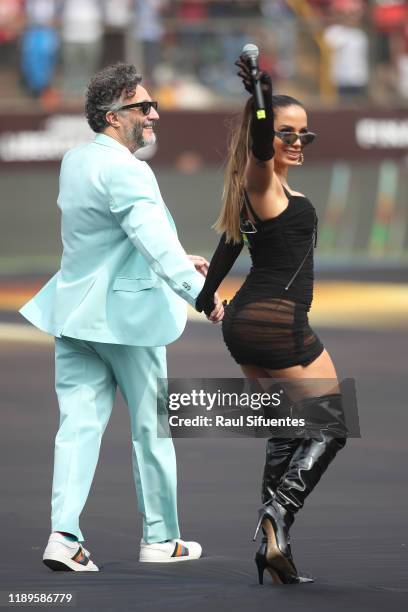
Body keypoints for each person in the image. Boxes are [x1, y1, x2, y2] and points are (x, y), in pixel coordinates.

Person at [19, 62, 223, 571]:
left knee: (77, 428)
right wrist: (201, 292)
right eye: (143, 107)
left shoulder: (75, 161)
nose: (154, 114)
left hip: (74, 315)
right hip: (126, 321)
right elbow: (150, 240)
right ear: (113, 117)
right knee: (152, 430)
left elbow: (115, 239)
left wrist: (179, 257)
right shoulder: (129, 170)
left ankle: (63, 537)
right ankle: (161, 538)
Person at [196, 54, 347, 584]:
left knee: (287, 429)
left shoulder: (260, 190)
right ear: (267, 136)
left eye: (306, 133)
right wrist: (260, 101)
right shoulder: (263, 180)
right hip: (274, 321)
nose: (298, 141)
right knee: (331, 424)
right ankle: (276, 515)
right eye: (289, 133)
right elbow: (261, 142)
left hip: (248, 320)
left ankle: (272, 549)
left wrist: (207, 293)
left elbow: (227, 244)